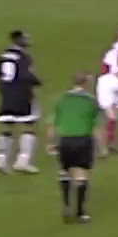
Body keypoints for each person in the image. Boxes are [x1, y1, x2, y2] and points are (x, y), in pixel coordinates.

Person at [46, 73, 103, 222]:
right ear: (86, 84)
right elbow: (96, 127)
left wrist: (50, 143)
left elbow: (52, 124)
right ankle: (80, 212)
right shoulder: (91, 102)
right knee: (81, 175)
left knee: (64, 172)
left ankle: (66, 206)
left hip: (65, 140)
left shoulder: (61, 100)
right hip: (83, 140)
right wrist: (103, 147)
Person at [0, 29, 42, 174]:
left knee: (7, 125)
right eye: (25, 38)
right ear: (18, 40)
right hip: (22, 94)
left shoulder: (3, 55)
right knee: (29, 125)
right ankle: (22, 161)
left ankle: (1, 158)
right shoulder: (23, 57)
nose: (27, 40)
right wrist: (37, 81)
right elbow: (25, 75)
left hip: (7, 95)